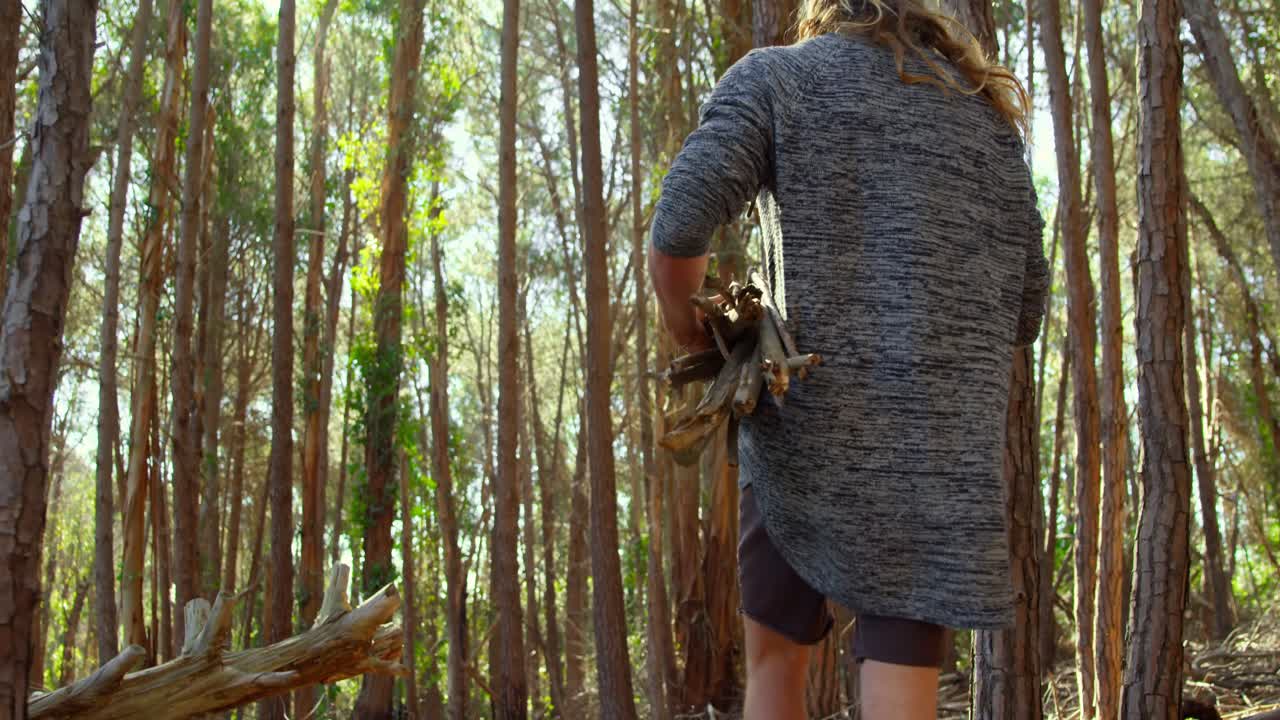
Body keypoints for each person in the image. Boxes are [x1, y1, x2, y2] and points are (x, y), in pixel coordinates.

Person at [647, 0, 1048, 717]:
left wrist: (688, 328)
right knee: (902, 686)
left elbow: (679, 223)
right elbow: (1028, 312)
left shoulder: (779, 80)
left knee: (774, 668)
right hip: (934, 460)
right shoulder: (989, 126)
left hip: (805, 434)